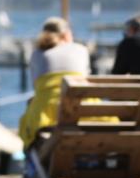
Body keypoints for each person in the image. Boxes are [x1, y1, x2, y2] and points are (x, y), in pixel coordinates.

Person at [18, 17, 91, 147]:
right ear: (66, 34)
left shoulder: (37, 53)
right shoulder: (81, 50)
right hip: (83, 110)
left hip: (47, 114)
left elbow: (37, 87)